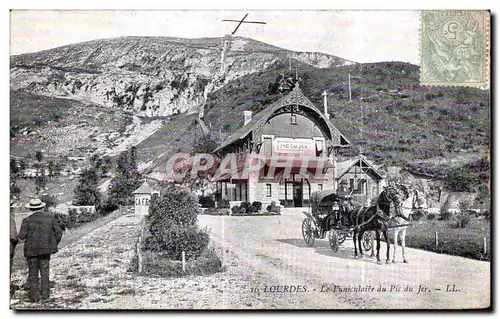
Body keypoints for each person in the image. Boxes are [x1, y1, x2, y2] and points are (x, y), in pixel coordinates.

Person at [18, 198, 63, 302]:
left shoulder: (26, 220)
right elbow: (58, 233)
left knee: (33, 273)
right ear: (42, 207)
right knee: (45, 271)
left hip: (31, 250)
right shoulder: (50, 218)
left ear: (30, 209)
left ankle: (34, 296)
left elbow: (21, 236)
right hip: (45, 250)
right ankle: (45, 295)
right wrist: (52, 243)